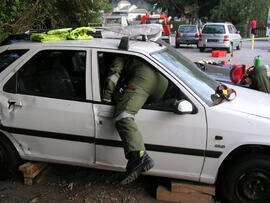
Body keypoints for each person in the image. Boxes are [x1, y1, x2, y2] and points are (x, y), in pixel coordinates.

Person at [103, 55, 168, 185]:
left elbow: (114, 76)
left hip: (144, 78)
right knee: (131, 104)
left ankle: (139, 157)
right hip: (161, 81)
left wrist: (106, 96)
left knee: (123, 114)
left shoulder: (117, 53)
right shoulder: (130, 45)